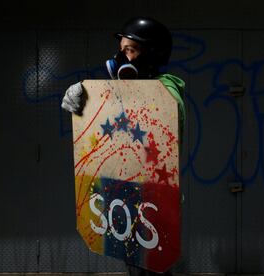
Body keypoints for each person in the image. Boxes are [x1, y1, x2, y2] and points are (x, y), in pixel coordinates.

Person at [61, 17, 185, 276]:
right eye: (121, 50)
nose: (120, 58)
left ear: (152, 55)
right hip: (129, 199)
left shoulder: (166, 92)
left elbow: (137, 118)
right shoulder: (138, 90)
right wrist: (85, 94)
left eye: (130, 50)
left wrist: (100, 97)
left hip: (153, 203)